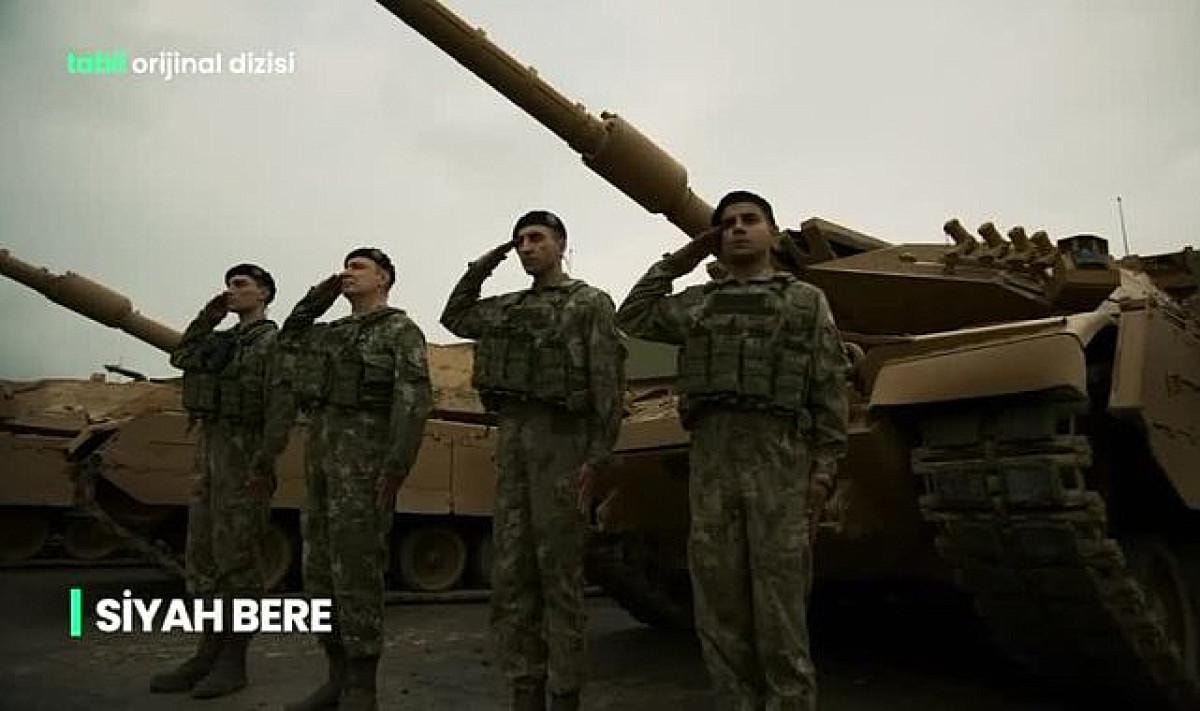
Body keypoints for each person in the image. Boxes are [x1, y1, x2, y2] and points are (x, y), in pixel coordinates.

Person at [616, 191, 849, 711]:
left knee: (781, 613)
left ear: (773, 233)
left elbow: (829, 389)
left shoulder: (804, 302)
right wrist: (685, 256)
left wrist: (823, 472)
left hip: (780, 462)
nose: (738, 228)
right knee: (719, 612)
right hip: (713, 466)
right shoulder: (697, 303)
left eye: (750, 220)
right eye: (727, 223)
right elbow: (632, 315)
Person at [441, 211, 625, 711]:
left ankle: (565, 692)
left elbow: (608, 385)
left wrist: (597, 458)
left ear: (561, 245)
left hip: (564, 447)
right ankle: (525, 687)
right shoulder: (507, 308)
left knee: (560, 576)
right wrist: (486, 262)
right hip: (514, 445)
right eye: (519, 240)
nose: (526, 247)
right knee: (512, 574)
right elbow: (455, 316)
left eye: (537, 238)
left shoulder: (588, 303)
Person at [275, 248, 433, 711]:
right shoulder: (329, 333)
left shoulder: (399, 331)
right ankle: (336, 676)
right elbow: (288, 340)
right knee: (318, 574)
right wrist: (315, 299)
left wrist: (397, 466)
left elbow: (413, 401)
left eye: (359, 267)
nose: (347, 273)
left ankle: (362, 685)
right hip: (322, 469)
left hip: (365, 470)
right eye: (345, 266)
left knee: (357, 572)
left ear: (383, 278)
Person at [152, 263, 279, 699]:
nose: (231, 290)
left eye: (241, 284)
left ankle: (233, 661)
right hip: (210, 457)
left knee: (239, 564)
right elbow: (182, 356)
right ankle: (206, 653)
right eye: (228, 284)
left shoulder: (274, 344)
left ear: (263, 293)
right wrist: (209, 316)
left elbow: (280, 408)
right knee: (203, 561)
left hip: (245, 461)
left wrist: (265, 463)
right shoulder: (221, 340)